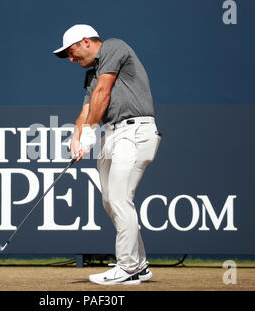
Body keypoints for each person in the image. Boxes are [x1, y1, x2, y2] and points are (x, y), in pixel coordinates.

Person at [53, 24, 161, 285]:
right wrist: (78, 137)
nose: (70, 58)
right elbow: (86, 111)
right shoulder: (91, 76)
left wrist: (90, 130)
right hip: (113, 135)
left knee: (120, 198)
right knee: (111, 201)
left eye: (72, 51)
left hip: (134, 132)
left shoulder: (114, 46)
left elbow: (104, 92)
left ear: (86, 41)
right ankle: (140, 265)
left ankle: (127, 266)